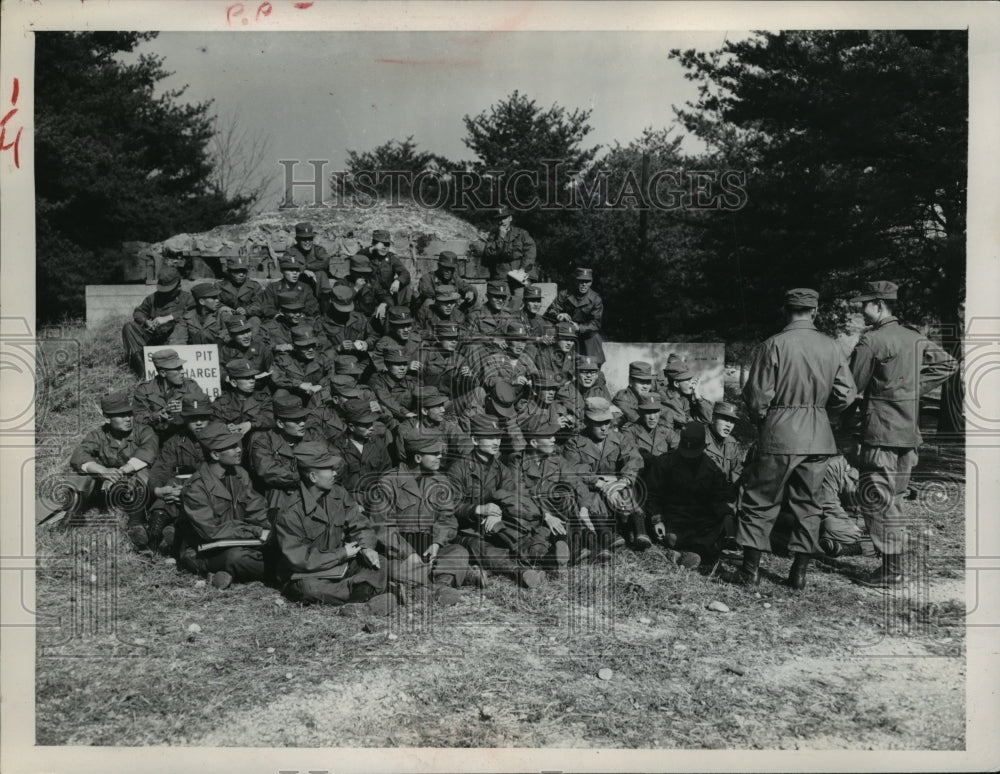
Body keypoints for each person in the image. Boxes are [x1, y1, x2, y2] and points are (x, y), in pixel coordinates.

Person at [735, 288, 857, 590]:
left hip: (780, 433)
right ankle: (798, 574)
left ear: (785, 310)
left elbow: (757, 396)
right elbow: (846, 393)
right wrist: (820, 413)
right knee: (811, 504)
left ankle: (749, 573)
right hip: (818, 437)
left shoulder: (773, 345)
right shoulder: (832, 347)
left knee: (761, 501)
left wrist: (763, 418)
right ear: (814, 312)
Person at [847, 280, 958, 587]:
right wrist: (911, 391)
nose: (861, 311)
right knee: (892, 498)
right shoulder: (913, 337)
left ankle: (891, 569)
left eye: (864, 305)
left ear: (879, 305)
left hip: (880, 432)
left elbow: (850, 387)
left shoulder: (872, 341)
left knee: (875, 497)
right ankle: (893, 564)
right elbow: (949, 364)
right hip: (908, 433)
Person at [273, 441, 394, 614]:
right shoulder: (290, 512)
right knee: (309, 589)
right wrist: (341, 553)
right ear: (313, 477)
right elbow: (300, 560)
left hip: (340, 565)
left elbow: (360, 525)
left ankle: (361, 593)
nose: (335, 473)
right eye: (329, 469)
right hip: (308, 573)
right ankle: (363, 593)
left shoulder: (339, 493)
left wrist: (367, 548)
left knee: (379, 561)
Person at [366, 435, 475, 606]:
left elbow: (448, 519)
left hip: (429, 547)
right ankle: (446, 579)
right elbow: (382, 527)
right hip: (399, 551)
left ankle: (436, 586)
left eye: (440, 453)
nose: (440, 456)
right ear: (417, 458)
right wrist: (407, 553)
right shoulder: (387, 483)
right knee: (388, 568)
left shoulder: (440, 481)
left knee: (459, 551)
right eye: (434, 453)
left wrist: (437, 543)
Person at [448, 415, 545, 587]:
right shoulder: (458, 469)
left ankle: (541, 559)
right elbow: (450, 506)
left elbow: (512, 497)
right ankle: (520, 572)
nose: (496, 442)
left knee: (522, 537)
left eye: (498, 437)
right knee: (482, 548)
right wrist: (478, 509)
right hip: (466, 530)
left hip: (495, 523)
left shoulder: (501, 469)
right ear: (475, 440)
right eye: (490, 437)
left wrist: (498, 513)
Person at [178, 423, 271, 589]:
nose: (239, 450)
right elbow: (211, 531)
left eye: (237, 445)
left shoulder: (240, 474)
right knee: (236, 558)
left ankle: (225, 574)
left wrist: (274, 528)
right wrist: (255, 531)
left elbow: (256, 508)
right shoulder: (195, 488)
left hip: (241, 541)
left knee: (277, 547)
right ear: (215, 454)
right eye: (232, 446)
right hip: (203, 550)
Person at [67, 391, 158, 544]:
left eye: (129, 414)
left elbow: (149, 451)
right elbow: (79, 455)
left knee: (145, 473)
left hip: (134, 488)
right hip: (106, 489)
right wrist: (101, 470)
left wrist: (121, 471)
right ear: (108, 419)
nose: (128, 419)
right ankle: (72, 514)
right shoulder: (98, 435)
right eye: (121, 416)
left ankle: (136, 522)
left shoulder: (143, 431)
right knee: (82, 473)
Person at [562, 397, 646, 555]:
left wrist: (620, 482)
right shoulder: (574, 444)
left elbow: (634, 460)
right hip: (593, 492)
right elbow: (575, 470)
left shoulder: (619, 438)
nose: (604, 428)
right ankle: (607, 535)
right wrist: (602, 484)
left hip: (617, 493)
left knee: (629, 490)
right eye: (599, 423)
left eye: (607, 422)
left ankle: (640, 531)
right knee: (591, 496)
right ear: (587, 421)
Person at [646, 422, 733, 569]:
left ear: (704, 447)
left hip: (700, 520)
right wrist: (656, 520)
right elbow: (652, 494)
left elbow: (719, 498)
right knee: (671, 537)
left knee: (717, 533)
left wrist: (726, 516)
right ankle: (689, 551)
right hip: (672, 517)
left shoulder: (713, 469)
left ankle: (687, 553)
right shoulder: (665, 462)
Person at [511, 416, 595, 566]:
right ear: (534, 442)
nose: (553, 440)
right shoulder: (516, 462)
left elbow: (576, 482)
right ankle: (573, 546)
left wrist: (584, 508)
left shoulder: (556, 459)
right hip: (532, 515)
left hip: (557, 513)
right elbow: (520, 495)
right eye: (548, 436)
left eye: (553, 436)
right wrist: (546, 515)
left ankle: (575, 545)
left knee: (566, 493)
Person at [146, 396, 214, 555]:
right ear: (185, 419)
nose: (198, 423)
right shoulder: (175, 442)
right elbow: (160, 469)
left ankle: (174, 536)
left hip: (210, 493)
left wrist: (186, 492)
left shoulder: (220, 439)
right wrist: (159, 490)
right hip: (178, 493)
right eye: (193, 419)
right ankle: (154, 537)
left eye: (203, 418)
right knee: (166, 493)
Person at [249, 393, 329, 505]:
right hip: (283, 495)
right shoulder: (263, 440)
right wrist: (307, 476)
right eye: (296, 420)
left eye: (303, 418)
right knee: (276, 492)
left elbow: (335, 461)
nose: (302, 424)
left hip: (313, 491)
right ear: (280, 423)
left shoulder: (313, 435)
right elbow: (267, 471)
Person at [121, 267, 195, 375]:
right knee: (129, 327)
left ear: (178, 286)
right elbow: (139, 312)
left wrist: (169, 317)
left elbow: (193, 313)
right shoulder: (153, 298)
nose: (166, 293)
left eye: (169, 290)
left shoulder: (187, 298)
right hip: (155, 337)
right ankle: (144, 371)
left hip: (178, 340)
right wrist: (146, 321)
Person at [132, 348, 206, 442]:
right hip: (156, 439)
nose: (182, 372)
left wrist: (185, 408)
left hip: (184, 437)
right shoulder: (144, 390)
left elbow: (204, 409)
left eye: (181, 367)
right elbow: (137, 417)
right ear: (163, 373)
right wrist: (156, 416)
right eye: (177, 369)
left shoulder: (190, 386)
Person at [395, 387, 473, 472]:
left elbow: (462, 441)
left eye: (442, 405)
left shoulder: (446, 425)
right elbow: (403, 457)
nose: (443, 410)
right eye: (438, 407)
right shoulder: (406, 429)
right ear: (424, 411)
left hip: (440, 471)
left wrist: (470, 455)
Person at [333, 399, 393, 497]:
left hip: (376, 496)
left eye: (371, 423)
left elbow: (387, 471)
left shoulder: (377, 442)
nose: (371, 428)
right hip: (350, 499)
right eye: (366, 425)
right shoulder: (337, 447)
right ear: (351, 427)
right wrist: (350, 503)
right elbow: (336, 483)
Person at [544, 267, 604, 362]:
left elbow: (596, 323)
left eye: (587, 281)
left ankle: (593, 367)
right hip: (565, 331)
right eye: (581, 281)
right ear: (576, 281)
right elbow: (550, 310)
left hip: (584, 333)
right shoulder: (565, 294)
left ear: (591, 282)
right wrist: (559, 315)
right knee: (549, 332)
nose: (584, 284)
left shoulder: (596, 299)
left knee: (595, 338)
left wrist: (579, 327)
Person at [270, 325, 334, 410]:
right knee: (279, 395)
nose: (311, 349)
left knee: (326, 393)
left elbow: (331, 374)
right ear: (295, 347)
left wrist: (320, 385)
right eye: (305, 346)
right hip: (294, 393)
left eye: (312, 345)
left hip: (316, 392)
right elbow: (276, 378)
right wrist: (299, 384)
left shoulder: (322, 357)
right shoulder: (282, 359)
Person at [212, 358, 275, 440]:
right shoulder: (222, 401)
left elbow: (269, 419)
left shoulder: (263, 398)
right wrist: (226, 428)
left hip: (256, 443)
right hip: (231, 442)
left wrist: (250, 424)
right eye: (247, 378)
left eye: (253, 377)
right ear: (234, 382)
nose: (252, 381)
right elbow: (215, 424)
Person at [471, 206, 537, 282]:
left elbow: (530, 253)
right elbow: (491, 253)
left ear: (510, 218)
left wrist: (523, 269)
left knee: (520, 293)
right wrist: (500, 238)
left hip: (520, 275)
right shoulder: (492, 237)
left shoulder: (521, 234)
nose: (502, 221)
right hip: (501, 277)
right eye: (499, 219)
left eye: (504, 218)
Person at [317, 285, 375, 365]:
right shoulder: (322, 322)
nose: (344, 312)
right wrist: (338, 347)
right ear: (331, 301)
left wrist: (366, 344)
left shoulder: (359, 317)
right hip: (337, 363)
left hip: (359, 362)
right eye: (341, 308)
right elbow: (321, 350)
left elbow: (373, 336)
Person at [479, 321, 539, 396]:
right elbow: (489, 380)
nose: (520, 345)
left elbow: (536, 376)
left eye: (523, 341)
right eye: (516, 340)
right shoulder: (495, 358)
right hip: (497, 398)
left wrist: (531, 381)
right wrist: (511, 381)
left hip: (517, 399)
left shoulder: (525, 359)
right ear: (507, 340)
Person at [361, 229, 411, 314]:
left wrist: (398, 281)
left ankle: (401, 313)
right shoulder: (366, 256)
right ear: (374, 243)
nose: (384, 247)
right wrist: (372, 248)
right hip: (368, 294)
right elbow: (356, 257)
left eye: (387, 244)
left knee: (406, 287)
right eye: (382, 244)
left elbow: (405, 273)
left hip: (385, 295)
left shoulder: (391, 259)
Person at [621, 394, 678, 466]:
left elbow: (680, 447)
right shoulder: (630, 432)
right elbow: (631, 458)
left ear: (660, 412)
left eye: (655, 412)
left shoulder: (665, 430)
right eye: (648, 412)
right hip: (640, 474)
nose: (652, 417)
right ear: (640, 412)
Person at [413, 250, 477, 314]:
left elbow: (466, 286)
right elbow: (429, 294)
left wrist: (470, 292)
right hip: (434, 312)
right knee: (429, 301)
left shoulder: (454, 278)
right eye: (445, 268)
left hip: (449, 309)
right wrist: (452, 296)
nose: (448, 271)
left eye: (451, 269)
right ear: (439, 266)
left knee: (475, 301)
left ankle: (465, 321)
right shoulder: (428, 277)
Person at [656, 360, 713, 431]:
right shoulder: (663, 398)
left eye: (691, 379)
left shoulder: (687, 397)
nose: (692, 383)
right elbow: (683, 420)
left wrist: (698, 396)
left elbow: (707, 419)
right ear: (676, 383)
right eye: (688, 380)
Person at [257, 256, 320, 320]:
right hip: (279, 321)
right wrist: (277, 315)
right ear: (282, 271)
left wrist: (302, 314)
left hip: (300, 320)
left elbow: (312, 305)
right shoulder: (273, 287)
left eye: (297, 270)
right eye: (291, 270)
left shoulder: (305, 288)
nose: (295, 273)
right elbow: (267, 306)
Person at [369, 348, 422, 423]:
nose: (402, 368)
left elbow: (421, 395)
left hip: (407, 419)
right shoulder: (377, 380)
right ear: (387, 366)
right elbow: (387, 400)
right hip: (386, 421)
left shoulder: (408, 380)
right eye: (397, 364)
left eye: (405, 364)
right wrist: (406, 413)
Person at [555, 355, 611, 426]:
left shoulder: (600, 391)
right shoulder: (565, 392)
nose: (589, 375)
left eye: (593, 372)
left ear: (597, 375)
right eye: (584, 371)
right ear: (576, 373)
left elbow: (612, 411)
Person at [371, 306, 423, 374]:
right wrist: (407, 367)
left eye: (408, 325)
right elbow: (381, 370)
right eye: (401, 326)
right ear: (392, 327)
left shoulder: (416, 339)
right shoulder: (384, 344)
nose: (406, 330)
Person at [215, 256, 264, 324]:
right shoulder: (219, 286)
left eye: (244, 271)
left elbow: (260, 305)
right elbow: (214, 303)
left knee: (255, 321)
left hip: (248, 318)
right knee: (224, 316)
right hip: (228, 318)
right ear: (229, 272)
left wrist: (246, 310)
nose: (241, 274)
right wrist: (224, 308)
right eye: (236, 271)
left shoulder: (255, 286)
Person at [612, 361, 657, 426]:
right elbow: (636, 419)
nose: (645, 386)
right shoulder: (622, 397)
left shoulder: (651, 396)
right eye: (641, 381)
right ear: (630, 381)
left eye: (648, 382)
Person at [534, 321, 578, 387]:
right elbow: (546, 378)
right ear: (556, 339)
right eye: (565, 339)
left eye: (572, 340)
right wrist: (569, 381)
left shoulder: (572, 354)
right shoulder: (543, 354)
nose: (569, 343)